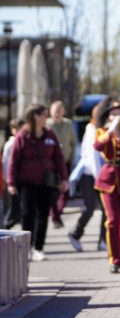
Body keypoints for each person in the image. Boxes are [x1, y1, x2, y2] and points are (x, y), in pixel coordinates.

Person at [7, 104, 68, 260]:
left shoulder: (50, 135)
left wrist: (64, 178)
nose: (46, 117)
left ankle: (39, 248)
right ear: (35, 116)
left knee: (43, 214)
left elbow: (59, 158)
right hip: (26, 182)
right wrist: (11, 182)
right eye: (44, 114)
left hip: (46, 182)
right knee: (27, 214)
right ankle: (26, 247)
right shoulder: (23, 136)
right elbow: (14, 160)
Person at [93, 97, 120, 273]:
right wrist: (110, 130)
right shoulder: (102, 131)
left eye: (119, 113)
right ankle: (114, 259)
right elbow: (98, 145)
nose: (116, 115)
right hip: (108, 180)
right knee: (113, 221)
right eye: (113, 113)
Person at [68, 104, 107, 252]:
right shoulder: (92, 131)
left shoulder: (98, 130)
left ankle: (102, 241)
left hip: (96, 175)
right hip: (90, 176)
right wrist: (100, 178)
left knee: (105, 210)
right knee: (91, 208)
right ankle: (75, 234)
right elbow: (92, 158)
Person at [47, 100, 75, 228]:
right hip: (51, 163)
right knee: (53, 191)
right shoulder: (47, 124)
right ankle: (55, 217)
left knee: (66, 192)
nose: (57, 113)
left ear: (63, 111)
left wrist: (72, 157)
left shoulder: (68, 124)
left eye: (59, 110)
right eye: (55, 110)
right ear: (50, 111)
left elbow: (73, 143)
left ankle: (57, 213)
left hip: (65, 162)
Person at [2, 118, 24, 229]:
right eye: (17, 128)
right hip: (12, 180)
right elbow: (6, 162)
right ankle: (7, 224)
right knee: (13, 205)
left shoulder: (25, 142)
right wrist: (7, 179)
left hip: (22, 179)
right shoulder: (10, 144)